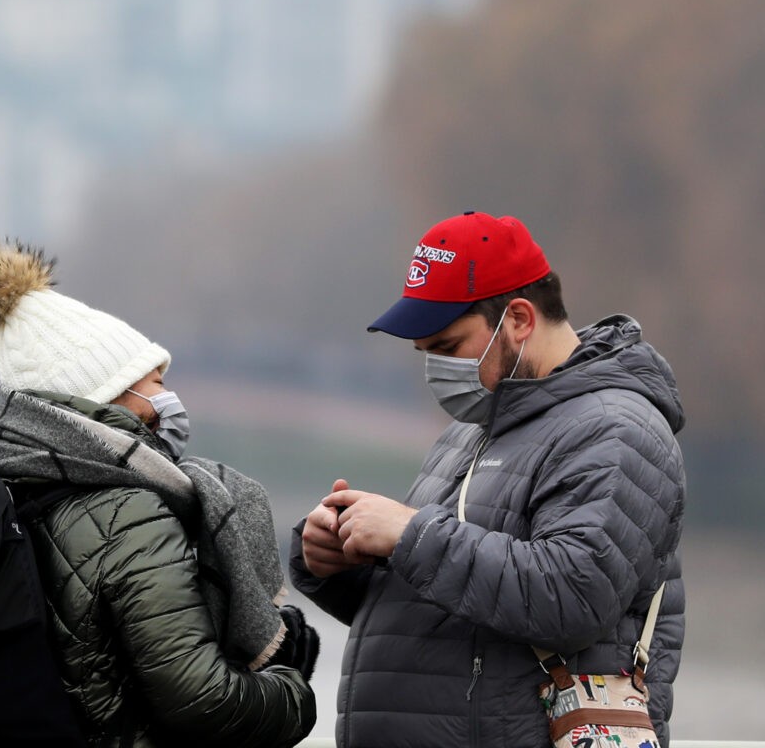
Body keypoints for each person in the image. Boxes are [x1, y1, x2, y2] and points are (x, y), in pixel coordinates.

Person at [290, 212, 686, 747]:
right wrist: (336, 560)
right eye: (423, 353)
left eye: (448, 348)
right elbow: (447, 603)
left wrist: (411, 534)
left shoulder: (616, 430)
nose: (434, 369)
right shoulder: (475, 427)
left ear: (519, 318)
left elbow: (574, 595)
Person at [0, 240, 319, 748]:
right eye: (156, 380)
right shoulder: (131, 513)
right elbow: (200, 700)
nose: (167, 397)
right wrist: (292, 686)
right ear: (113, 394)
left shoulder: (0, 487)